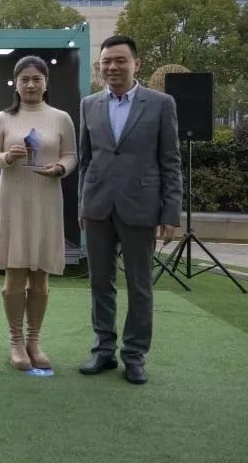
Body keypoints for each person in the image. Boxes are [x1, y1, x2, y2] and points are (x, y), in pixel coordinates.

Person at [79, 35, 182, 384]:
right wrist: (83, 203)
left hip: (141, 207)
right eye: (106, 61)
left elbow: (170, 161)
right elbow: (85, 160)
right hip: (97, 207)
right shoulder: (89, 104)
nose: (112, 67)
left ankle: (134, 355)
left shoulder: (161, 104)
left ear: (136, 63)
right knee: (99, 283)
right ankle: (103, 350)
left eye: (120, 60)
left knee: (140, 285)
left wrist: (171, 213)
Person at [0, 56, 77, 370]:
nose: (31, 84)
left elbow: (71, 155)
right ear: (16, 83)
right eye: (25, 79)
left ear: (46, 82)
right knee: (14, 275)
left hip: (46, 198)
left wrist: (61, 167)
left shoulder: (61, 117)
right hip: (12, 199)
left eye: (37, 78)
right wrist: (8, 156)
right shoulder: (3, 119)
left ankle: (34, 339)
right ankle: (15, 341)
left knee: (40, 276)